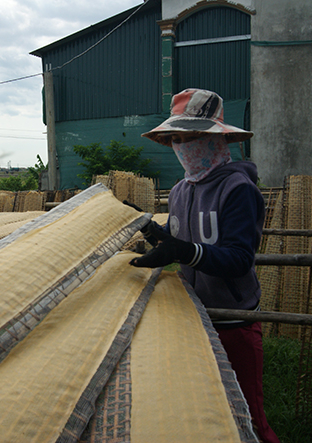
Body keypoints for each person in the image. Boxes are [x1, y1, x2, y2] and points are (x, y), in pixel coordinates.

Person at [129, 88, 280, 443]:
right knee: (207, 414)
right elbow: (179, 238)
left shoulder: (238, 188)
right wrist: (153, 231)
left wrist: (182, 252)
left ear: (214, 138)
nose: (181, 147)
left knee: (247, 416)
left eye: (188, 138)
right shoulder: (181, 190)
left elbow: (239, 258)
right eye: (175, 140)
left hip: (233, 321)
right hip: (193, 321)